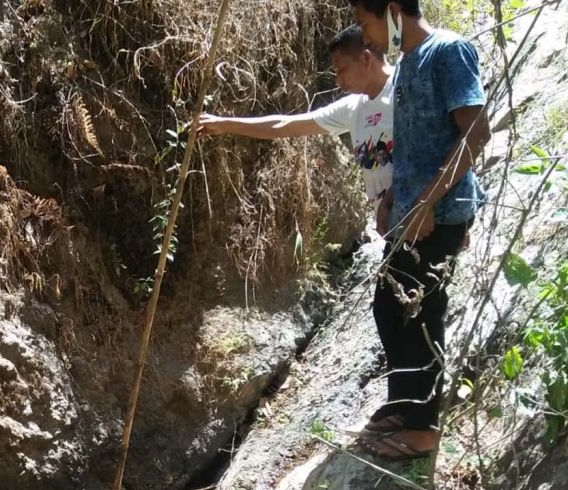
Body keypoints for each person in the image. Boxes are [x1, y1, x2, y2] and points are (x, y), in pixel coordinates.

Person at [349, 0, 490, 459]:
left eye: (366, 22)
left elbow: (476, 134)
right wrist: (392, 198)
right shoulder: (409, 61)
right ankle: (405, 405)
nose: (366, 36)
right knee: (389, 308)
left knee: (422, 313)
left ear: (392, 10)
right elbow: (408, 140)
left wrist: (428, 202)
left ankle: (423, 427)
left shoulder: (449, 51)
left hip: (439, 213)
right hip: (409, 211)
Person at [195, 24, 395, 227]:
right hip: (393, 228)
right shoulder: (354, 107)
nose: (338, 80)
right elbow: (284, 125)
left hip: (421, 222)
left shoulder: (405, 88)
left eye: (341, 70)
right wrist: (223, 124)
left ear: (366, 59)